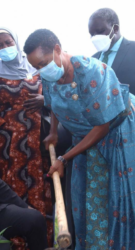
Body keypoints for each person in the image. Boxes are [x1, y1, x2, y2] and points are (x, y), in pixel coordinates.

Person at [24, 28, 135, 250]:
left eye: (43, 63)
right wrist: (54, 131)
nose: (41, 70)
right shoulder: (50, 74)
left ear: (57, 49)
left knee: (112, 201)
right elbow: (53, 101)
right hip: (85, 141)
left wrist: (64, 159)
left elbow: (102, 126)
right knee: (87, 201)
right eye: (36, 67)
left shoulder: (91, 71)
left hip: (115, 138)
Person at [0, 27, 53, 249]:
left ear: (16, 42)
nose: (4, 47)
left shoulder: (39, 69)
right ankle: (13, 244)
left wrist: (43, 99)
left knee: (38, 190)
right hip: (7, 147)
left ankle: (40, 242)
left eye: (8, 42)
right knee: (12, 194)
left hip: (37, 144)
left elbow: (57, 96)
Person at [89, 8, 135, 94]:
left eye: (100, 31)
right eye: (92, 34)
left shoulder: (133, 50)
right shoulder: (92, 60)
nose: (95, 37)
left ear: (115, 29)